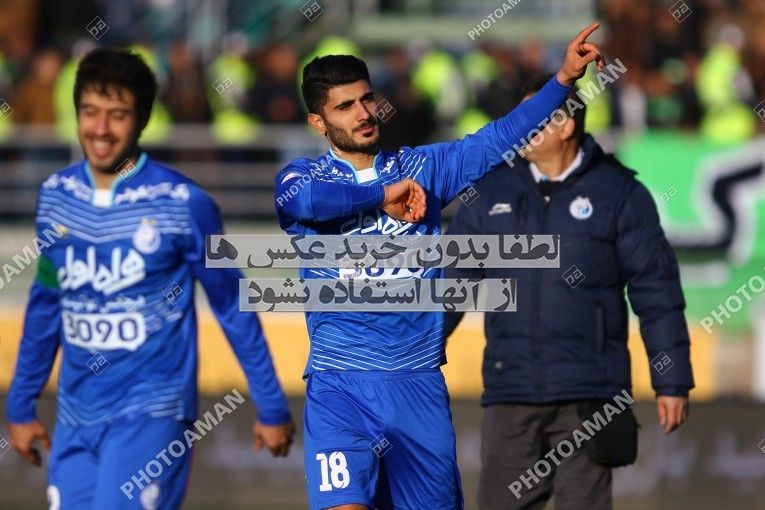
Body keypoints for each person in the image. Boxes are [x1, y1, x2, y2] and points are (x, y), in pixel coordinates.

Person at [274, 23, 605, 510]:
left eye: (366, 99)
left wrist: (562, 81)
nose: (363, 114)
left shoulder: (423, 169)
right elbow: (304, 203)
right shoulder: (304, 177)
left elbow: (498, 139)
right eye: (344, 107)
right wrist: (382, 195)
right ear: (318, 123)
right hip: (340, 387)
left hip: (418, 386)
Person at [6, 48, 294, 509]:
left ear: (141, 120)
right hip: (76, 415)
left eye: (118, 115)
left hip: (152, 411)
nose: (101, 129)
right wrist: (21, 405)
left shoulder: (183, 202)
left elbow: (232, 302)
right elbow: (45, 304)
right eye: (90, 112)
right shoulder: (56, 196)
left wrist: (272, 404)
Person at [444, 75, 694, 510]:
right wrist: (405, 359)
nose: (519, 126)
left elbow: (657, 293)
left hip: (591, 396)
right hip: (511, 392)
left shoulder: (620, 193)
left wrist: (671, 380)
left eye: (533, 116)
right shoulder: (488, 192)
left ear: (565, 126)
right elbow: (451, 286)